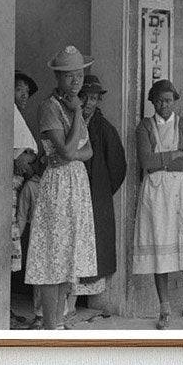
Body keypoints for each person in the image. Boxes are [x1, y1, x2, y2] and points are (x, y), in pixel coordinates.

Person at [132, 79, 183, 330]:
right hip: (157, 193)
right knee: (161, 251)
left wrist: (164, 161)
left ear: (175, 101)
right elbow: (146, 161)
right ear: (152, 101)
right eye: (159, 100)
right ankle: (165, 310)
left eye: (168, 100)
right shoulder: (145, 127)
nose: (163, 105)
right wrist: (173, 156)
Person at [23, 46, 98, 329]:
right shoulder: (49, 107)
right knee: (52, 255)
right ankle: (50, 325)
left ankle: (59, 319)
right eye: (69, 75)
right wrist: (78, 113)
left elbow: (87, 150)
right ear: (58, 77)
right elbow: (65, 151)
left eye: (79, 74)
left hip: (76, 183)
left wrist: (72, 153)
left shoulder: (70, 104)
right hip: (57, 183)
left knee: (68, 255)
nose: (76, 80)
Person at [67, 73, 127, 321]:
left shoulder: (105, 129)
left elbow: (118, 166)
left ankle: (80, 301)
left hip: (95, 195)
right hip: (72, 192)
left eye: (93, 98)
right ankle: (66, 300)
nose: (89, 103)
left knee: (91, 245)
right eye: (85, 97)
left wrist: (100, 190)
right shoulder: (68, 121)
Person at [11, 71, 40, 327]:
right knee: (9, 239)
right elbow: (15, 156)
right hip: (8, 187)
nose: (24, 95)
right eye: (20, 89)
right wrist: (23, 162)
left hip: (20, 186)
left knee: (15, 239)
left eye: (26, 92)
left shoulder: (18, 117)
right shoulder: (6, 112)